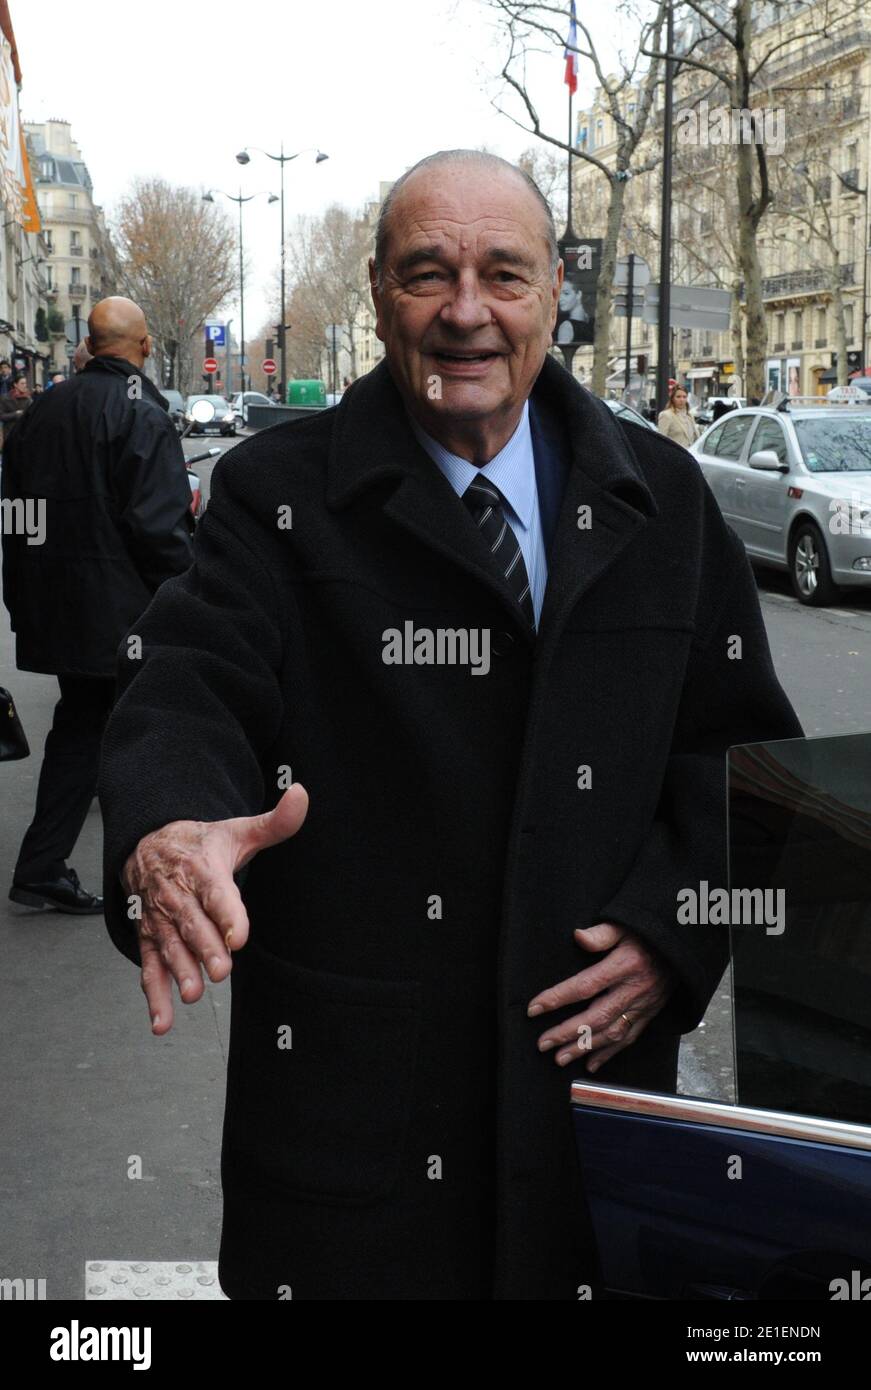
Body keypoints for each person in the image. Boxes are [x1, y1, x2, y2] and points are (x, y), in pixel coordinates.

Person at [98, 151, 801, 1300]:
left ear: (550, 300)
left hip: (595, 1127)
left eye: (503, 274)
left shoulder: (666, 504)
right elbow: (186, 683)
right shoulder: (275, 497)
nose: (466, 311)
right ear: (377, 292)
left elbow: (739, 765)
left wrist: (671, 935)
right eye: (428, 273)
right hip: (353, 1155)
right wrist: (170, 826)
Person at [1, 296, 194, 915]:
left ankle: (45, 864)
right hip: (120, 612)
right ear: (142, 347)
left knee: (85, 725)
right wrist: (191, 599)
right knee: (121, 729)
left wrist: (26, 591)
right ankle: (129, 867)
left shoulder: (42, 410)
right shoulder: (141, 414)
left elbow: (16, 517)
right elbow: (159, 528)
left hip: (57, 604)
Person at [657, 381, 699, 446]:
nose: (681, 400)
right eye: (678, 397)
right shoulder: (666, 415)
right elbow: (660, 441)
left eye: (684, 397)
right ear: (672, 399)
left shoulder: (690, 416)